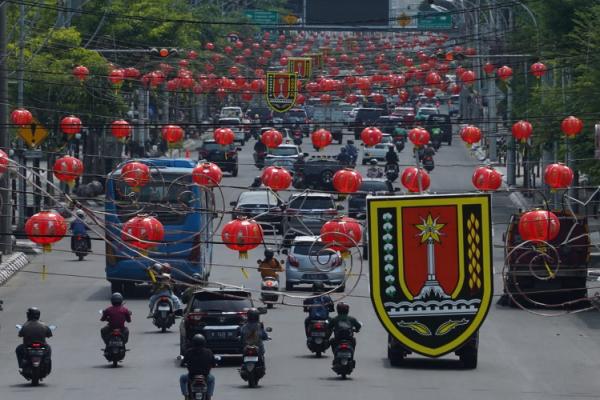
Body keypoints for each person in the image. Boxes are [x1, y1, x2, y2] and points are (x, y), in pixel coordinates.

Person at [180, 334, 217, 400]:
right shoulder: (209, 352)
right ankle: (209, 396)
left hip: (191, 377)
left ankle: (186, 396)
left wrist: (184, 364)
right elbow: (214, 364)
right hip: (205, 377)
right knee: (212, 379)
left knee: (182, 378)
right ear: (204, 342)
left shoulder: (189, 352)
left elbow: (182, 363)